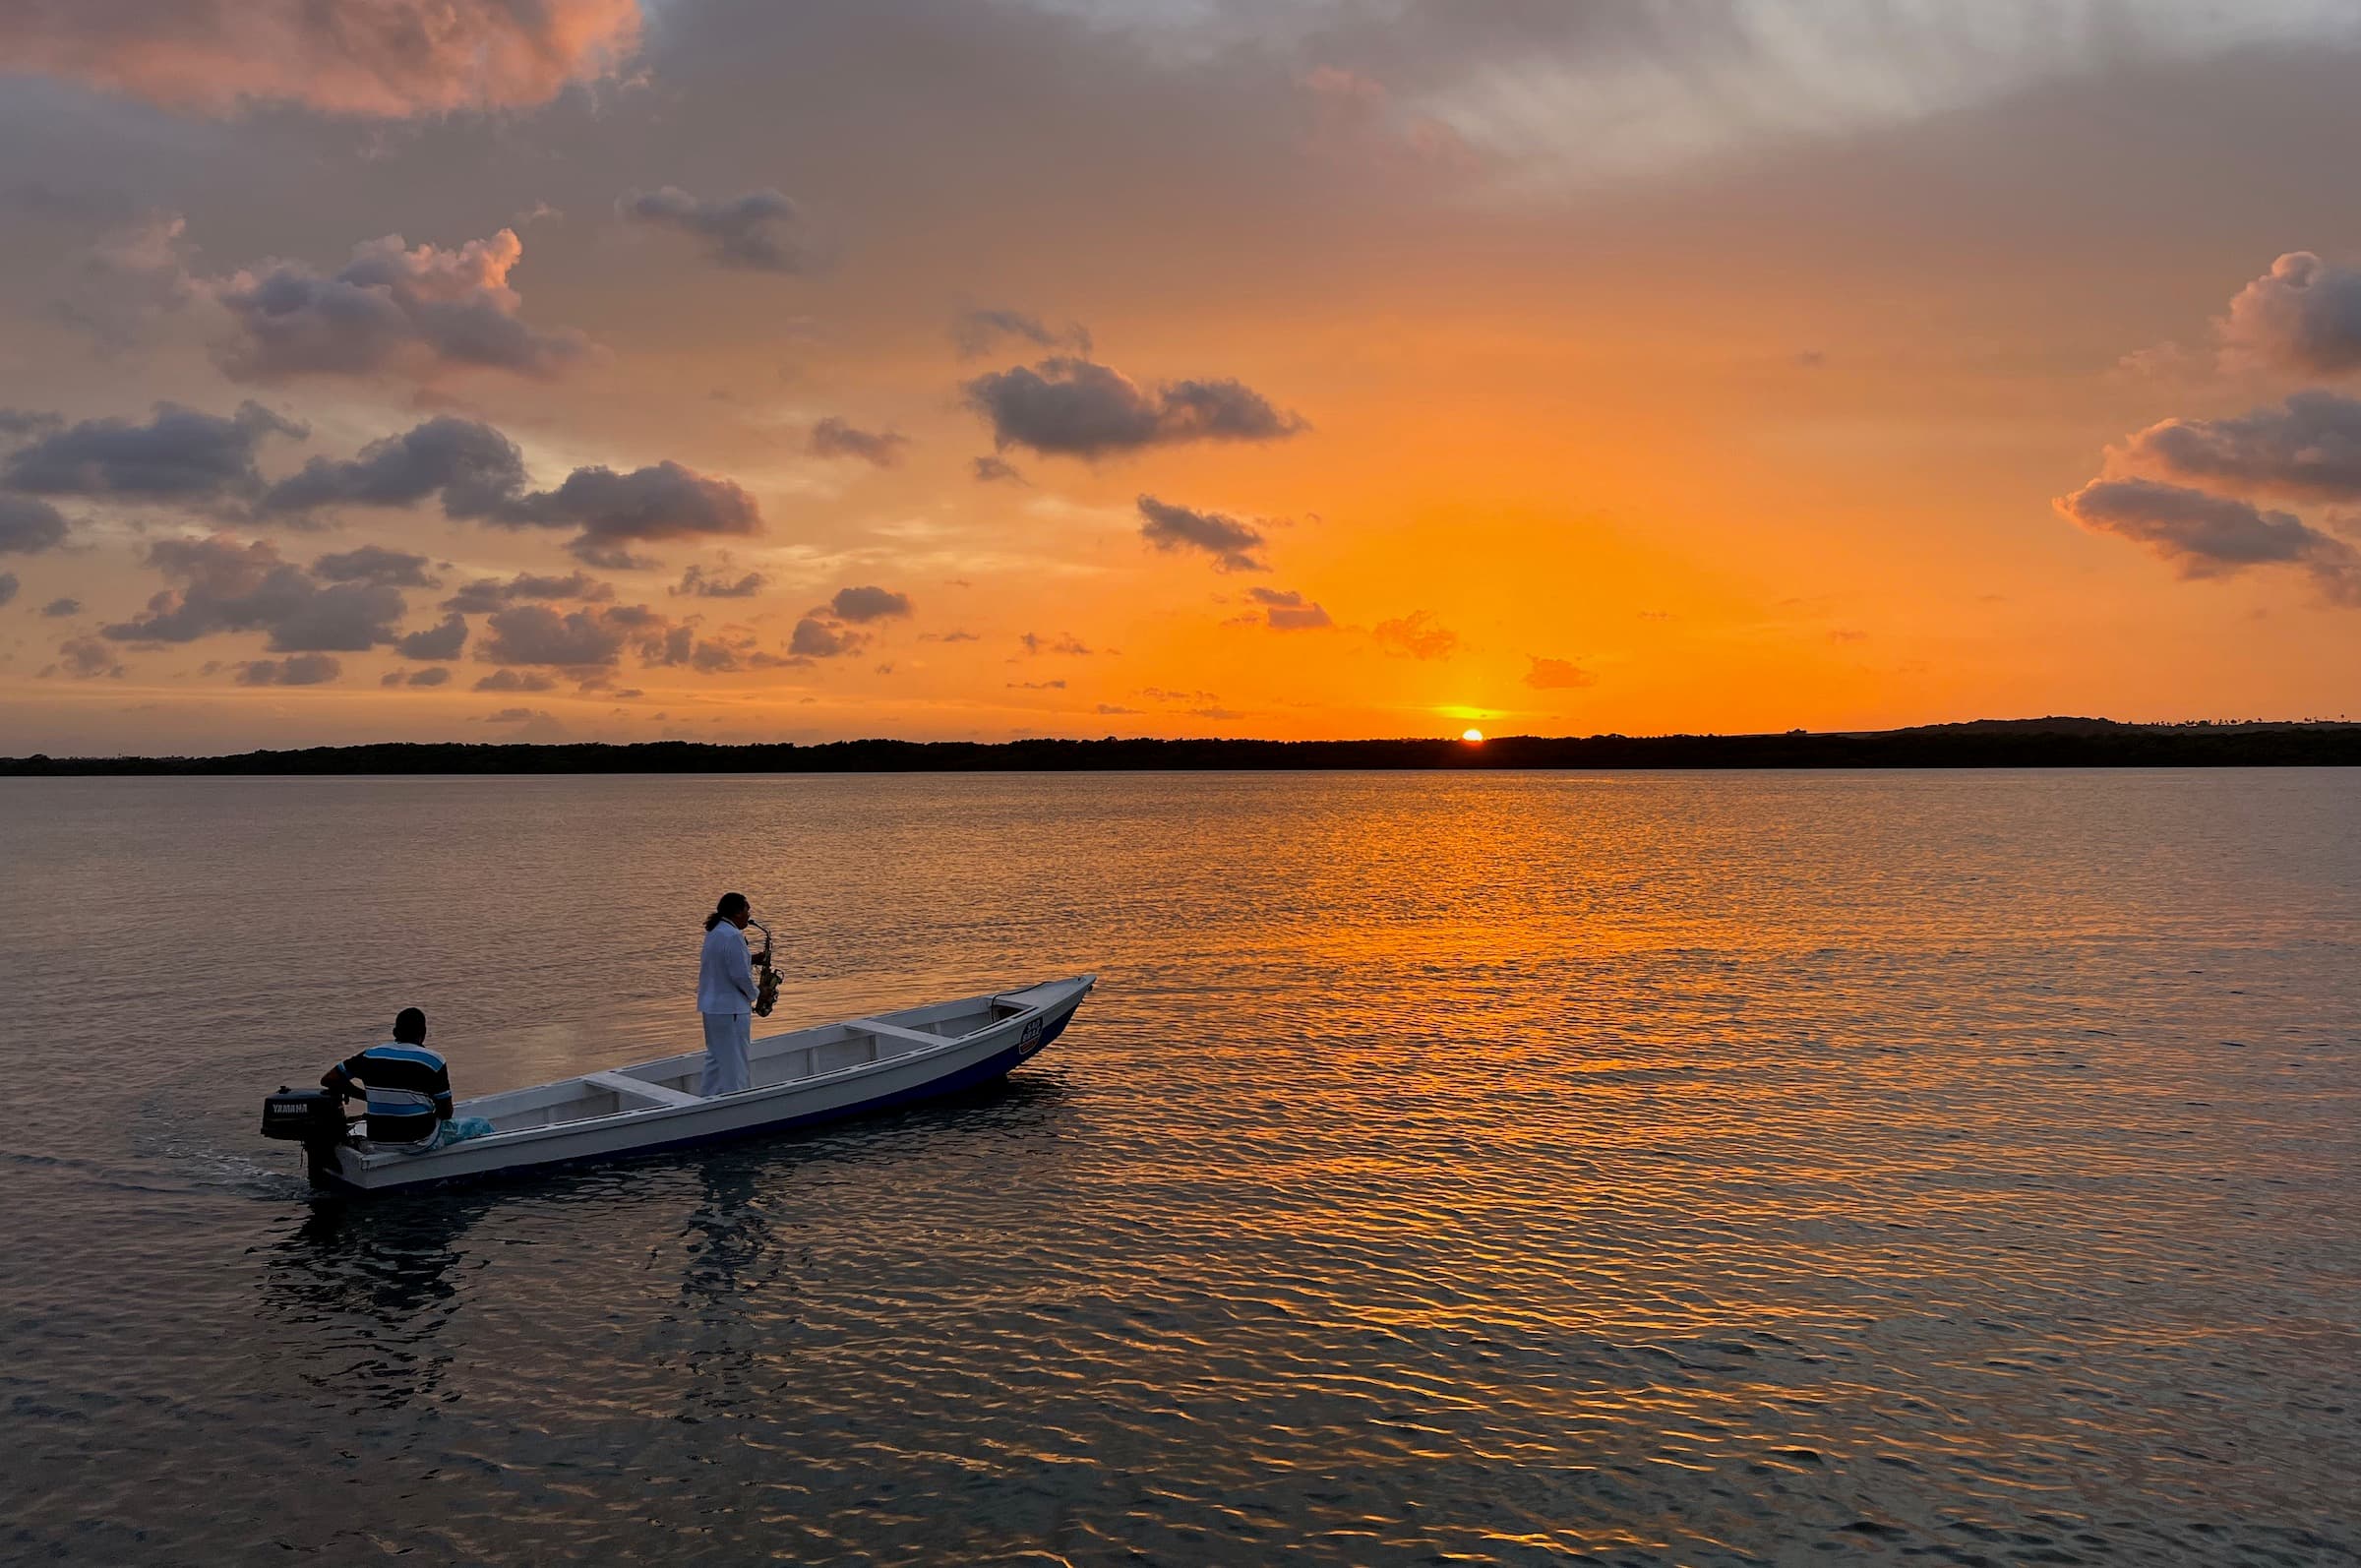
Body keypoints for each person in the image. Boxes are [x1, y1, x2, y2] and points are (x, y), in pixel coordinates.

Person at [321, 1007, 493, 1149]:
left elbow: (329, 1079)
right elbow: (446, 1113)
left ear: (395, 1032)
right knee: (482, 1125)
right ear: (423, 1033)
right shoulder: (433, 1061)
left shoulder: (369, 1056)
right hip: (419, 1140)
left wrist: (364, 1095)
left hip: (379, 1139)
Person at [697, 892, 762, 1096]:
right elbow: (740, 977)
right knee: (736, 1062)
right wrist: (759, 994)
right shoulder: (734, 936)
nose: (749, 914)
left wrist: (751, 959)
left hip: (712, 1008)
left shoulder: (715, 932)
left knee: (716, 1059)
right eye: (747, 909)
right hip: (731, 1010)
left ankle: (707, 1100)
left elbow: (721, 964)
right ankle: (737, 1104)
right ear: (736, 912)